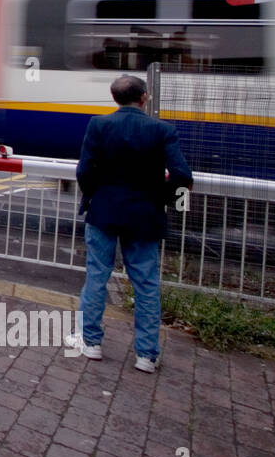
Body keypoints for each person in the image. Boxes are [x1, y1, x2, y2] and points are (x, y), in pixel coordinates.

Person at [67, 74, 193, 373]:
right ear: (144, 97)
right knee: (146, 284)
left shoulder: (98, 125)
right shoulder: (163, 130)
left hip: (104, 213)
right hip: (145, 217)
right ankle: (147, 356)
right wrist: (161, 198)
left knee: (97, 277)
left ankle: (91, 342)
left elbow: (84, 171)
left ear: (114, 99)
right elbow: (183, 177)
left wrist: (98, 194)